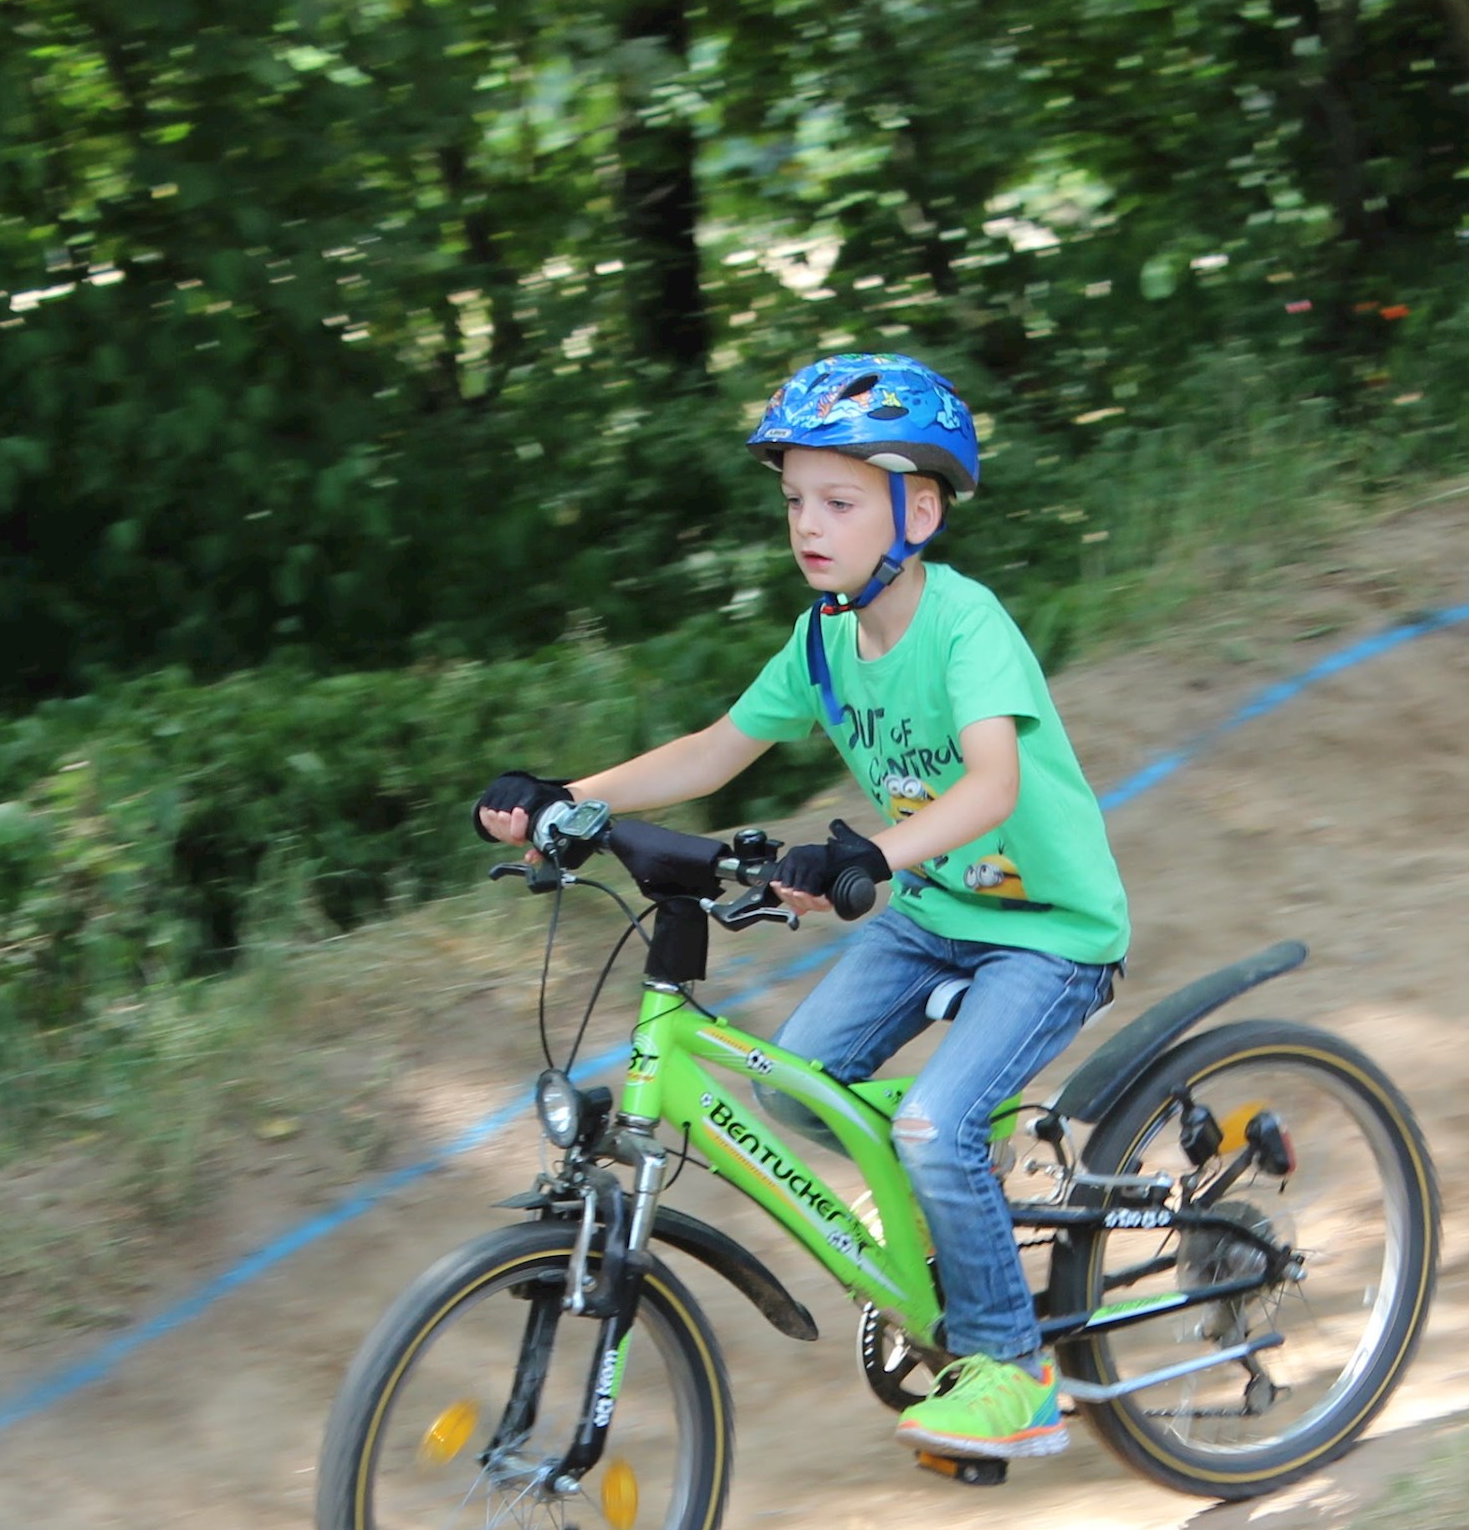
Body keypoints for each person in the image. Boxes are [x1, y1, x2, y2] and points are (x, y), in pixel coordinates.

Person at [473, 354, 1132, 1464]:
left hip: (1049, 932)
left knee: (932, 1126)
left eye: (838, 501)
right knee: (796, 1087)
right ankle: (949, 1186)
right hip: (934, 913)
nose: (808, 526)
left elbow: (990, 789)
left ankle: (1013, 1375)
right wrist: (564, 798)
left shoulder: (965, 624)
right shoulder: (823, 639)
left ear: (917, 512)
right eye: (794, 503)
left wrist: (867, 855)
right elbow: (716, 751)